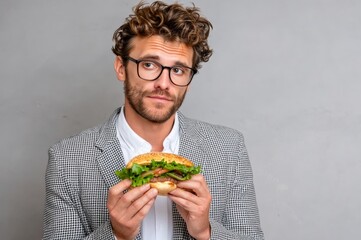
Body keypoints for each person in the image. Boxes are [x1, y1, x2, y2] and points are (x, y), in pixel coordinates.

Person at [43, 1, 264, 239]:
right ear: (121, 68)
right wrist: (116, 235)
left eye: (178, 70)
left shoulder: (229, 148)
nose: (163, 83)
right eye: (149, 65)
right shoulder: (67, 158)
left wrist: (205, 232)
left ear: (189, 80)